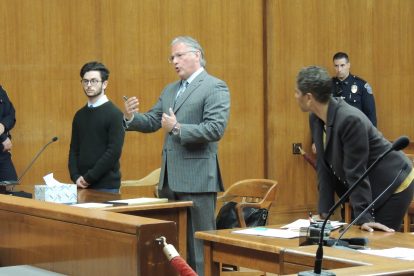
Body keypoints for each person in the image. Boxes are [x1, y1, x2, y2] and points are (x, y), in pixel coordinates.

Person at [123, 36, 230, 274]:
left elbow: (215, 129)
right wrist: (131, 118)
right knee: (174, 246)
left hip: (199, 180)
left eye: (179, 55)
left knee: (199, 248)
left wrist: (178, 128)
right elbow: (153, 120)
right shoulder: (170, 89)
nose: (174, 61)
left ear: (197, 55)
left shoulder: (214, 86)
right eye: (172, 57)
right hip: (171, 182)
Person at [295, 65, 414, 232]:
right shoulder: (315, 117)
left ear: (308, 97)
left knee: (375, 242)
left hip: (394, 181)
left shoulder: (349, 119)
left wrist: (364, 217)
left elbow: (356, 170)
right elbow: (323, 166)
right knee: (363, 241)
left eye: (297, 92)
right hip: (371, 182)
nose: (295, 96)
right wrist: (324, 213)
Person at [68, 61, 125, 193]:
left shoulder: (115, 114)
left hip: (106, 187)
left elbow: (113, 152)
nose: (89, 85)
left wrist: (89, 178)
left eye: (94, 81)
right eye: (85, 81)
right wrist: (75, 176)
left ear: (104, 84)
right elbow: (74, 150)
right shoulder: (79, 115)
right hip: (81, 185)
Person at [332, 52, 377, 126]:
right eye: (336, 66)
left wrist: (371, 136)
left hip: (356, 131)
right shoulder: (328, 86)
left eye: (342, 65)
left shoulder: (361, 85)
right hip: (336, 132)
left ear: (348, 65)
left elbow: (370, 114)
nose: (339, 69)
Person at [0, 85, 18, 182]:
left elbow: (11, 114)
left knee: (11, 182)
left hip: (2, 153)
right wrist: (3, 137)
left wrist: (3, 125)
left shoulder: (1, 91)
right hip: (2, 142)